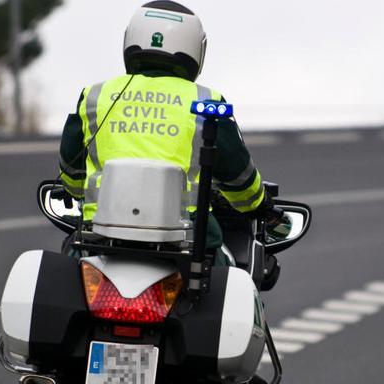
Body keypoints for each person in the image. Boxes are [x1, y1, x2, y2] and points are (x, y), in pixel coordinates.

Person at [56, 0, 284, 263]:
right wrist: (257, 204)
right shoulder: (207, 100)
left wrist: (74, 191)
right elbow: (238, 172)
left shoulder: (96, 96)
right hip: (188, 239)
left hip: (98, 234)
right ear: (196, 49)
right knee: (231, 276)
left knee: (68, 263)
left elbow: (70, 167)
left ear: (130, 39)